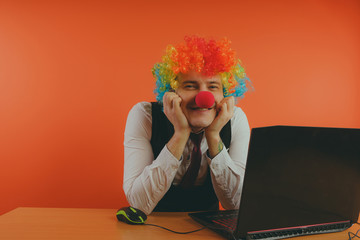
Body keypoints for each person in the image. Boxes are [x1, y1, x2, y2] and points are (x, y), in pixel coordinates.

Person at [123, 36, 252, 215]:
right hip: (155, 225)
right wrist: (180, 133)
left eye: (213, 87)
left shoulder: (235, 119)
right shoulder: (145, 115)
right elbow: (138, 204)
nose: (203, 98)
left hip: (207, 228)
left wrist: (213, 136)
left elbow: (236, 204)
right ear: (171, 92)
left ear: (225, 95)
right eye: (190, 86)